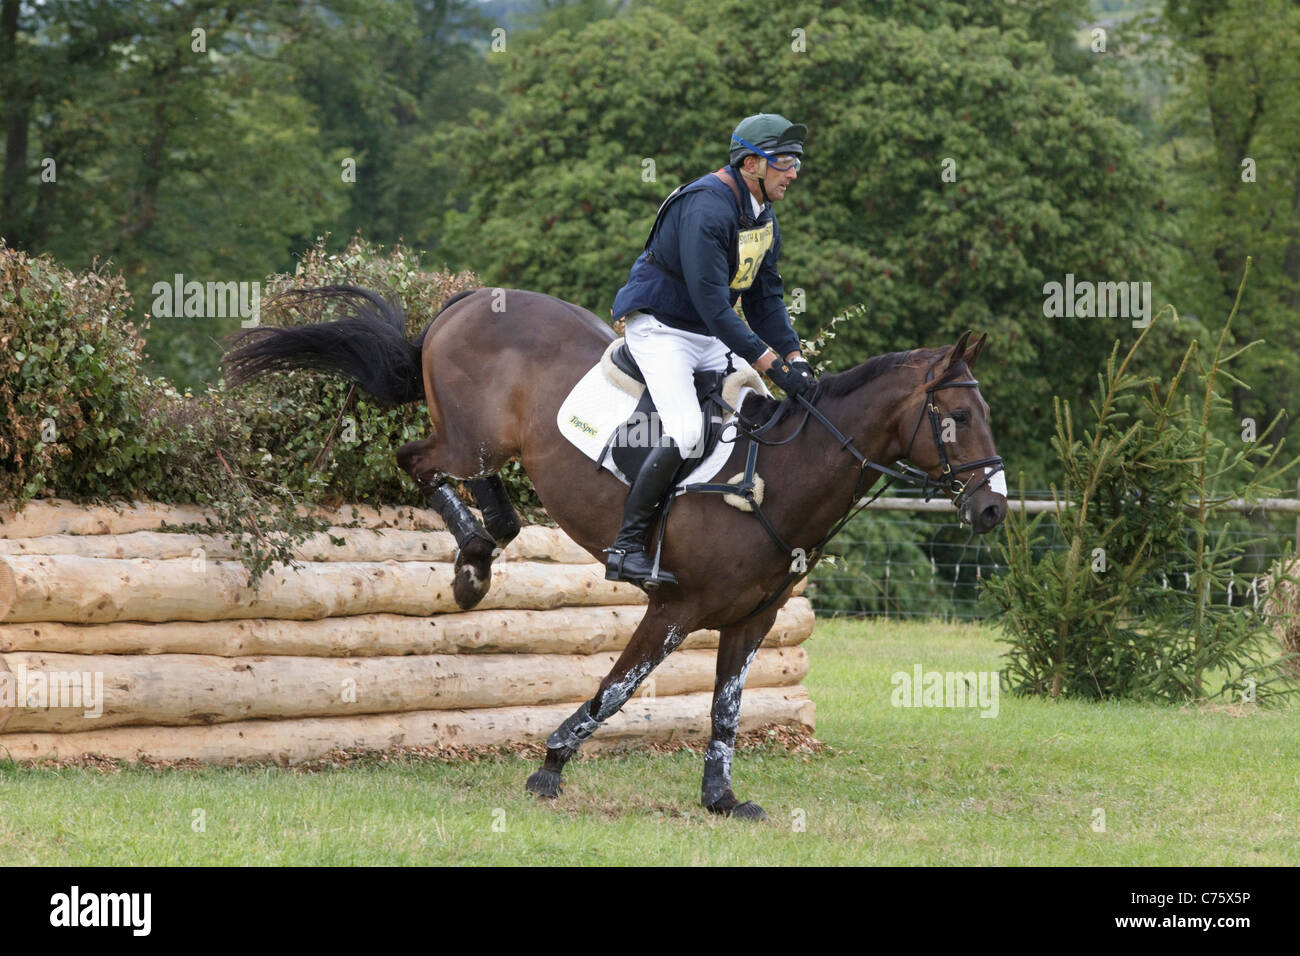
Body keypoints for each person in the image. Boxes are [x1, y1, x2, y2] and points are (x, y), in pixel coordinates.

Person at [604, 112, 817, 588]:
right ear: (751, 164)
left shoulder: (761, 215)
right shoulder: (707, 208)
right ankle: (626, 547)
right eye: (784, 161)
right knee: (685, 430)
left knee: (763, 410)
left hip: (705, 331)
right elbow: (716, 307)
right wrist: (770, 363)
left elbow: (765, 299)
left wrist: (795, 360)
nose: (794, 172)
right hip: (661, 329)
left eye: (796, 161)